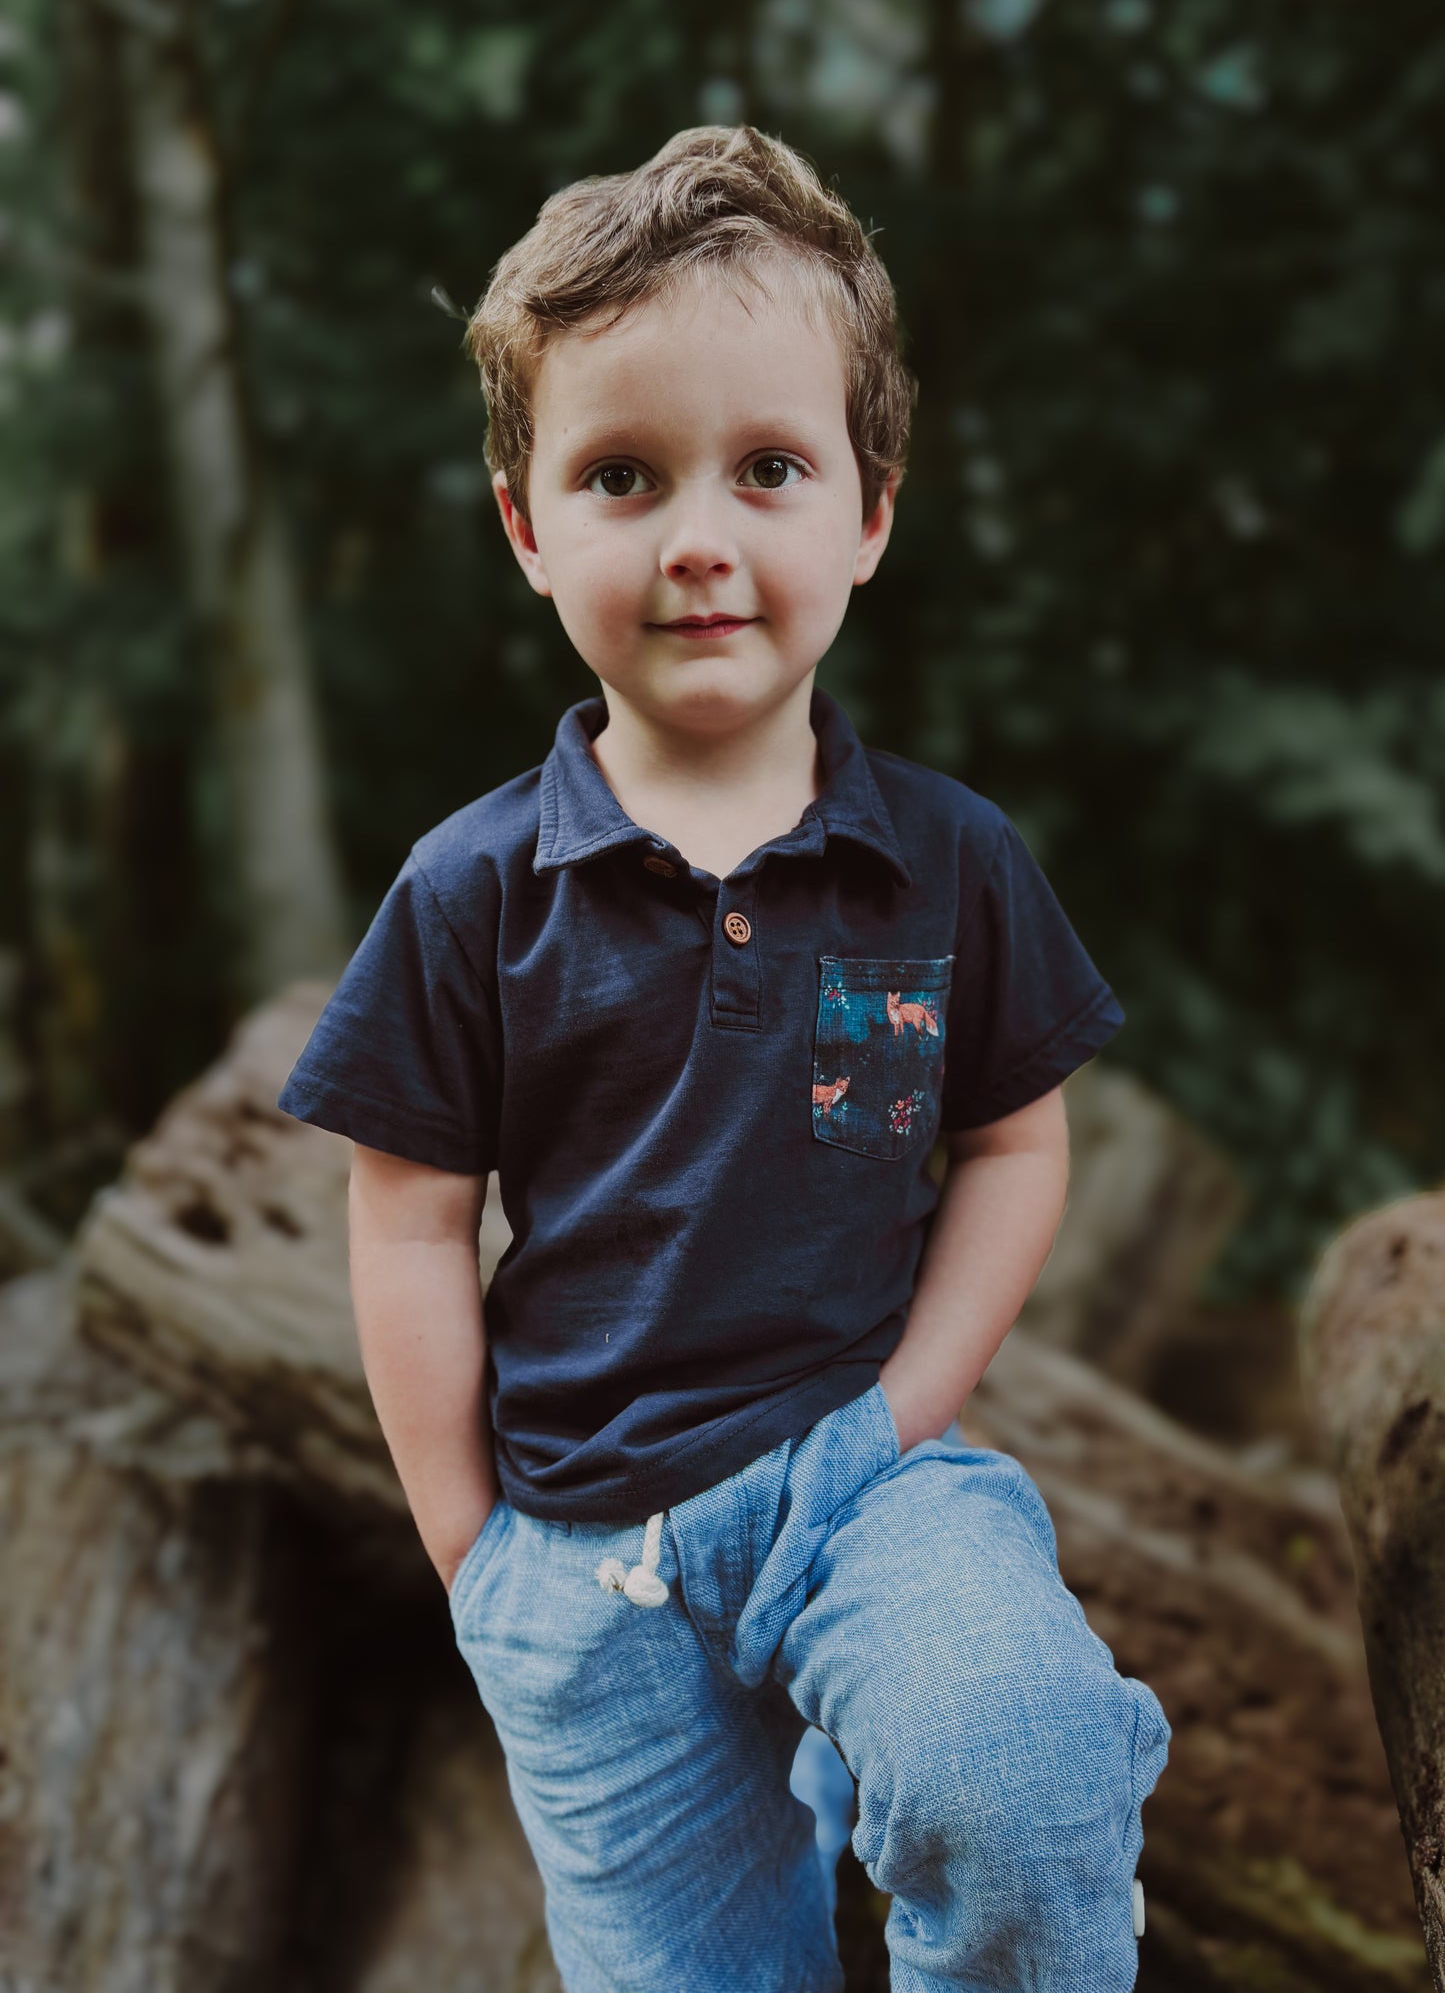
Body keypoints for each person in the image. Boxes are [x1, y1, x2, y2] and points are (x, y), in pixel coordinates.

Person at [277, 123, 1171, 1992]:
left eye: (767, 467)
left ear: (868, 510)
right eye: (622, 474)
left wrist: (899, 1416)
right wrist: (474, 1558)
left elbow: (1013, 1145)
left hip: (868, 1482)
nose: (698, 537)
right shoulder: (470, 891)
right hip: (586, 1557)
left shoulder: (946, 860)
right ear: (528, 526)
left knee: (1022, 1768)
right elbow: (408, 1226)